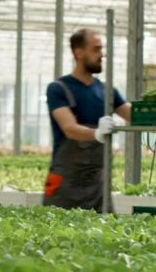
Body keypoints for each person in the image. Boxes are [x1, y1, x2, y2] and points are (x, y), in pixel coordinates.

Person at [43, 28, 131, 212]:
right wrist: (97, 133)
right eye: (96, 49)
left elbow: (133, 115)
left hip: (96, 187)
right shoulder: (59, 89)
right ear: (79, 52)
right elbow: (69, 128)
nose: (102, 54)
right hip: (65, 185)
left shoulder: (107, 91)